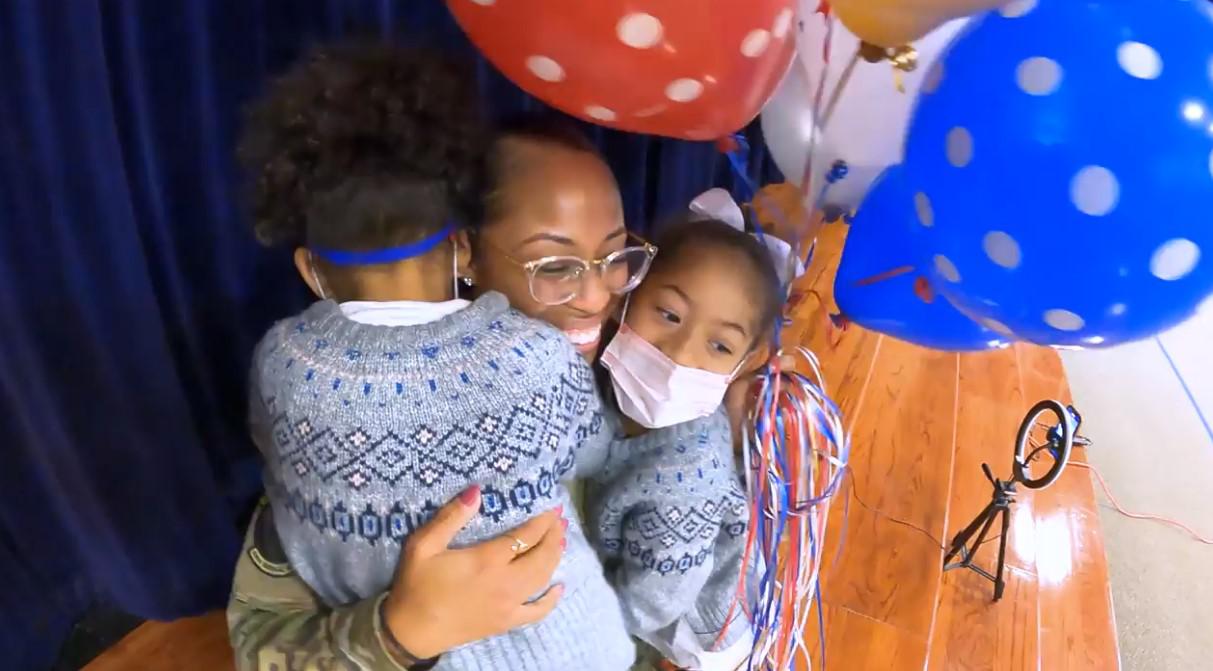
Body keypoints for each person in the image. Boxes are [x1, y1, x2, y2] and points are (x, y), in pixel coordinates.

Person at [238, 43, 643, 670]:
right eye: (553, 265)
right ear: (465, 253)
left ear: (313, 273)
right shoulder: (541, 365)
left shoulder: (287, 368)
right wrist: (399, 633)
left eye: (615, 256)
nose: (595, 295)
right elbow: (260, 643)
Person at [587, 216, 784, 670]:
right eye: (670, 315)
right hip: (658, 572)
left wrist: (574, 629)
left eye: (719, 346)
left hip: (697, 628)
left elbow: (652, 606)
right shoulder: (613, 391)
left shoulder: (684, 487)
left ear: (747, 361)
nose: (679, 352)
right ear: (627, 293)